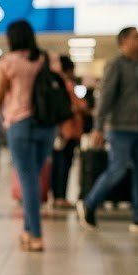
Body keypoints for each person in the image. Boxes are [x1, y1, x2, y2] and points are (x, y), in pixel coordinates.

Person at [0, 20, 59, 252]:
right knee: (34, 177)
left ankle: (37, 235)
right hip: (47, 126)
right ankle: (27, 230)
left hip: (20, 124)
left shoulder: (9, 62)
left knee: (28, 180)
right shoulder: (49, 58)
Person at [76, 26, 138, 233]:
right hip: (119, 128)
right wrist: (98, 128)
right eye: (136, 37)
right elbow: (105, 98)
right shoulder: (115, 64)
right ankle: (89, 203)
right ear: (124, 41)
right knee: (118, 169)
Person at [51, 55, 86, 209]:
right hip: (67, 131)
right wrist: (82, 107)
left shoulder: (59, 85)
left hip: (65, 131)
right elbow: (74, 105)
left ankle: (59, 196)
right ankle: (60, 197)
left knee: (61, 164)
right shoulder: (65, 85)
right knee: (63, 165)